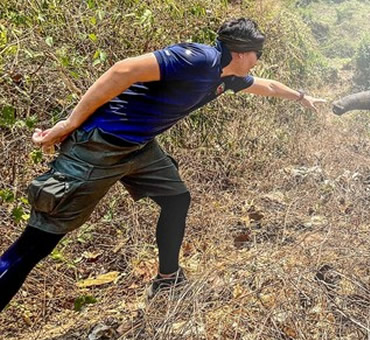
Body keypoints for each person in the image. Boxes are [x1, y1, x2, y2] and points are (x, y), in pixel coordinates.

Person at [0, 18, 325, 310]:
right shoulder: (198, 59)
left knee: (176, 198)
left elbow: (266, 85)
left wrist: (301, 96)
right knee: (38, 242)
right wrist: (69, 123)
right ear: (241, 53)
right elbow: (123, 70)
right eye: (258, 54)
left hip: (139, 148)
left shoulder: (225, 76)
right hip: (98, 147)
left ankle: (168, 278)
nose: (258, 61)